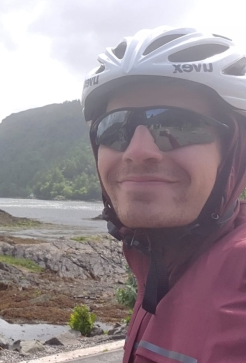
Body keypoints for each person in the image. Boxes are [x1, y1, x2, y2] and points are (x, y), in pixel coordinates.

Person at [82, 26, 246, 362]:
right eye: (116, 129)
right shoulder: (157, 265)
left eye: (177, 125)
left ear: (235, 154)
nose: (137, 151)